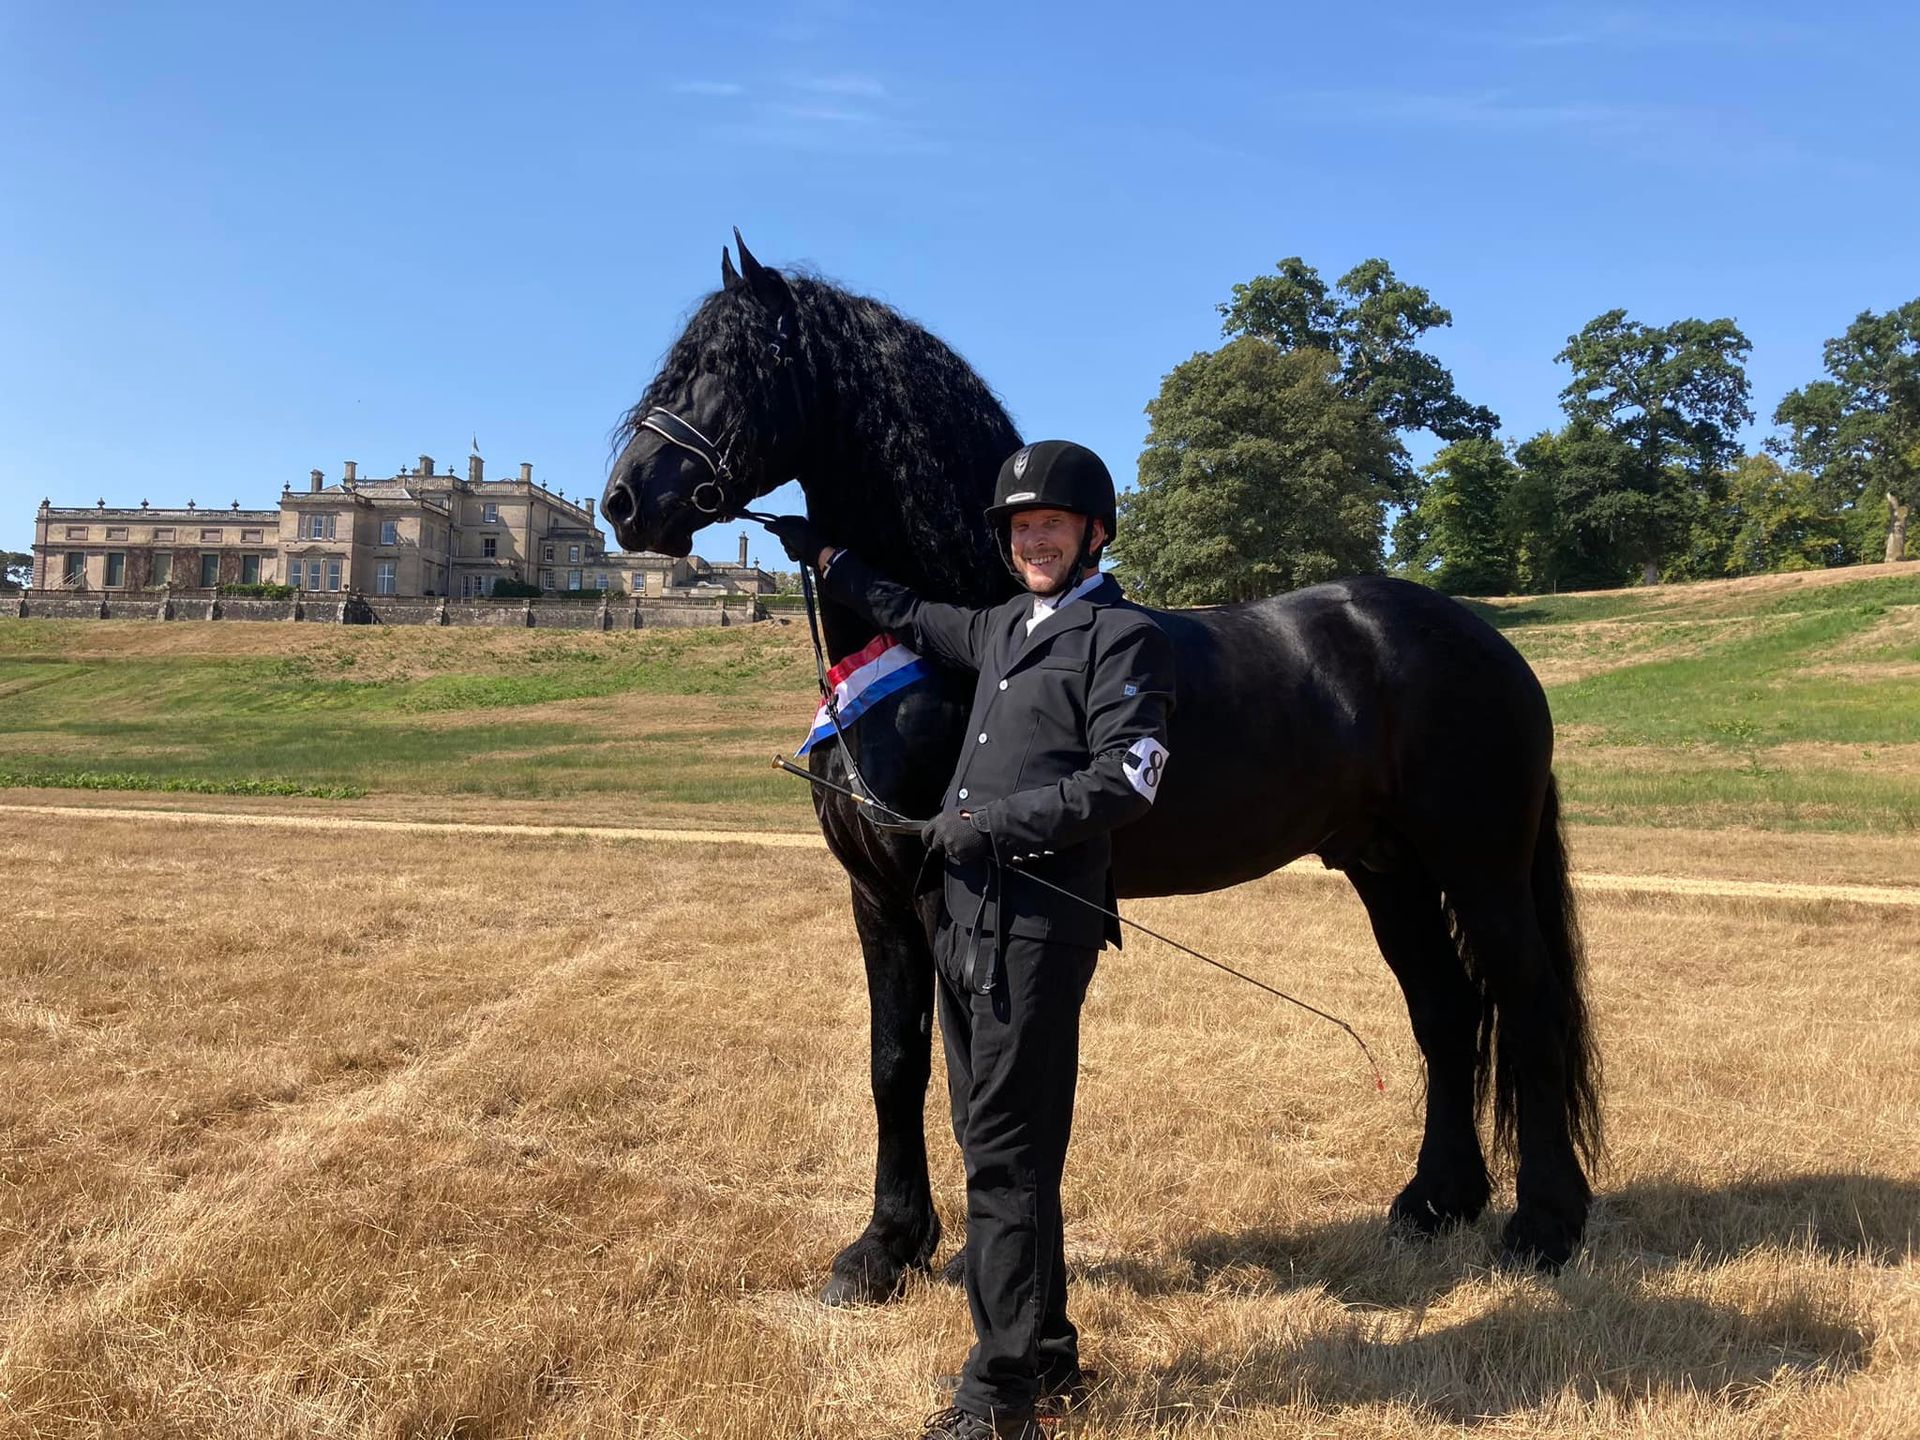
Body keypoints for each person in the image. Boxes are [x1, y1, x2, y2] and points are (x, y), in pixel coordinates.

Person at [769, 440, 1175, 1440]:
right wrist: (826, 558)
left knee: (1006, 1155)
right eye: (1021, 528)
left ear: (1095, 534)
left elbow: (1131, 778)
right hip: (964, 922)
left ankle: (999, 1401)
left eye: (1052, 526)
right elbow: (909, 613)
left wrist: (991, 825)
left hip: (1039, 926)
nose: (1035, 541)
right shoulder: (1002, 624)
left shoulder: (1122, 635)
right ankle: (1047, 1354)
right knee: (993, 1139)